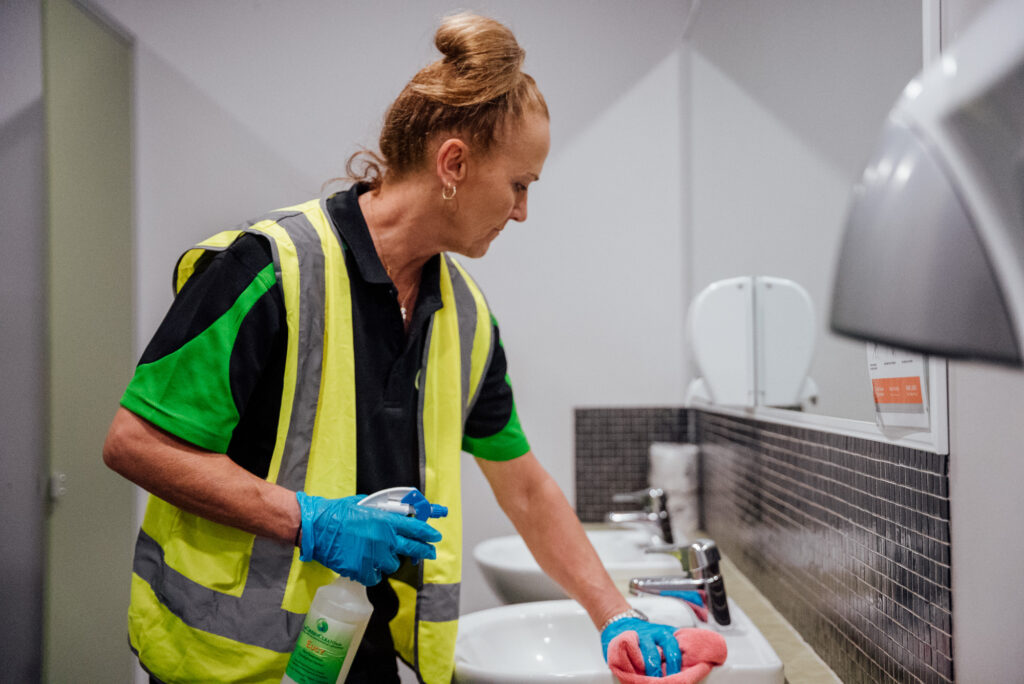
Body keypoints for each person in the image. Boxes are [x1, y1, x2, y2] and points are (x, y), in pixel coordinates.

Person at [103, 12, 683, 684]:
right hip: (222, 665)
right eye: (519, 184)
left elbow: (523, 487)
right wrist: (308, 521)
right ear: (455, 164)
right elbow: (133, 442)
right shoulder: (269, 268)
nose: (522, 210)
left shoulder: (464, 317)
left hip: (359, 656)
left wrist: (613, 614)